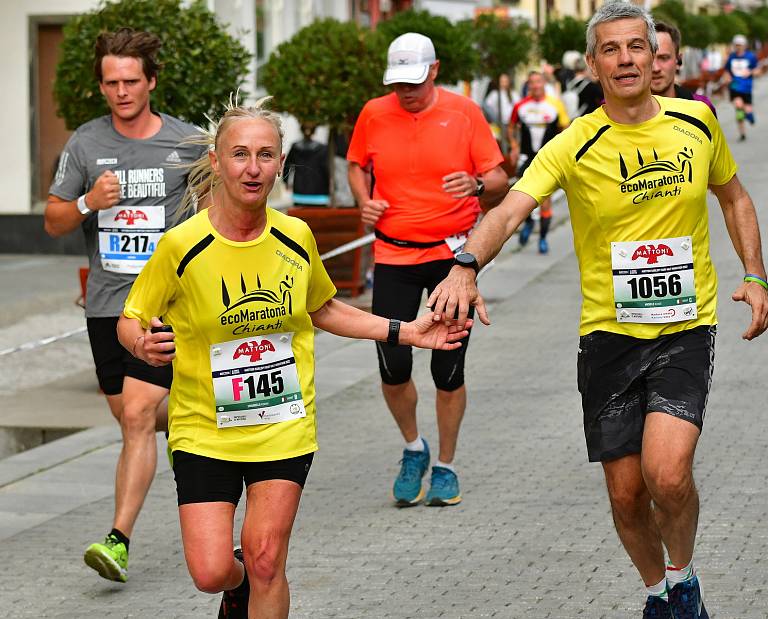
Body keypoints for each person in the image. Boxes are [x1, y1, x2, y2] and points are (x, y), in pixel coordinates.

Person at [427, 3, 768, 618]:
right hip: (608, 337)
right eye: (610, 50)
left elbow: (735, 197)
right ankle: (657, 592)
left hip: (685, 328)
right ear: (593, 64)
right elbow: (508, 211)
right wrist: (465, 264)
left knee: (668, 475)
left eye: (636, 47)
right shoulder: (574, 143)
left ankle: (683, 577)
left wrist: (754, 274)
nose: (626, 59)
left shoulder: (697, 124)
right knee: (626, 494)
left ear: (655, 54)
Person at [117, 97, 471, 619]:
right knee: (212, 571)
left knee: (266, 560)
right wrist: (141, 343)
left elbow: (324, 308)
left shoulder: (295, 235)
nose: (252, 168)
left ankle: (253, 585)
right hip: (203, 429)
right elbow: (130, 318)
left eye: (265, 155)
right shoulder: (180, 246)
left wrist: (407, 333)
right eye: (239, 154)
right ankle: (234, 590)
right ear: (216, 162)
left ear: (280, 163)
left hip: (283, 424)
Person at [44, 28, 206, 583]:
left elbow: (223, 209)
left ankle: (118, 540)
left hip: (163, 304)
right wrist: (91, 200)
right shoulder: (85, 145)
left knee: (136, 414)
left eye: (131, 81)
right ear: (101, 86)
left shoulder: (187, 144)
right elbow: (53, 219)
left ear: (151, 81)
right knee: (130, 416)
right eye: (111, 82)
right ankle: (211, 405)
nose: (121, 91)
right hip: (107, 306)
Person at [347, 32, 508, 507]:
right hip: (393, 254)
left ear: (434, 70)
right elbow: (357, 164)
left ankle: (446, 466)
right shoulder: (374, 113)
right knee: (392, 364)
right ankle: (414, 447)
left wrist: (477, 184)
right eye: (398, 84)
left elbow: (500, 181)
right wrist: (364, 200)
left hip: (450, 260)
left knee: (447, 368)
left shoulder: (464, 112)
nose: (406, 92)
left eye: (414, 82)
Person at [508, 71, 570, 253]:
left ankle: (542, 238)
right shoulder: (521, 106)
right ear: (528, 85)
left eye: (538, 82)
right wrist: (513, 145)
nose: (535, 86)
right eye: (532, 82)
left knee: (545, 200)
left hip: (547, 158)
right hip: (526, 157)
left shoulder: (555, 105)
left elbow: (565, 130)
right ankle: (528, 222)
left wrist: (561, 151)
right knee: (522, 196)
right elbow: (511, 127)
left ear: (544, 84)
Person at [652, 21, 717, 116]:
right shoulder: (625, 112)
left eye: (664, 58)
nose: (656, 68)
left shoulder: (701, 108)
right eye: (649, 59)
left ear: (678, 60)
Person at [724, 34, 760, 141]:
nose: (738, 47)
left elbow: (758, 70)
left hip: (747, 87)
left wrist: (750, 72)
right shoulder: (731, 57)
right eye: (736, 45)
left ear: (744, 45)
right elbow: (727, 71)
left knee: (747, 109)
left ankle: (749, 114)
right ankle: (742, 133)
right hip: (735, 85)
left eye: (740, 45)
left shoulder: (750, 56)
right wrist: (728, 77)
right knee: (738, 106)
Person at [282, 123, 330, 205]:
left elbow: (287, 166)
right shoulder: (323, 149)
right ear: (314, 132)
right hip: (319, 193)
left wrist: (286, 182)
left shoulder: (295, 147)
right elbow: (326, 169)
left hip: (299, 192)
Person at [482, 73, 520, 153]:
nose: (504, 83)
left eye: (505, 81)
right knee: (503, 144)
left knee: (512, 143)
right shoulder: (494, 94)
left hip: (511, 124)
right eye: (502, 81)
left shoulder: (513, 94)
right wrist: (494, 118)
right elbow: (486, 106)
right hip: (500, 124)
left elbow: (518, 107)